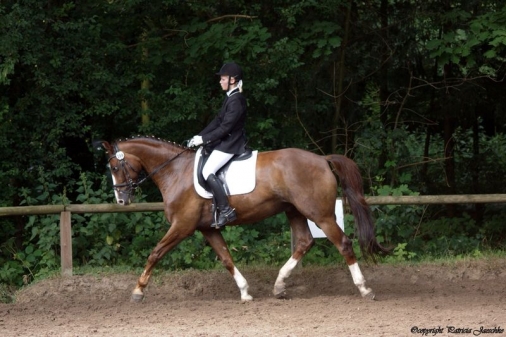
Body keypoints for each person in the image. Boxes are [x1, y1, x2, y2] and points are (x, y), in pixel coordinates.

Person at [188, 62, 247, 228]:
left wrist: (205, 140)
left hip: (232, 144)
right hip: (226, 142)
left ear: (233, 80)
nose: (220, 82)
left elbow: (225, 127)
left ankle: (226, 210)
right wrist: (199, 135)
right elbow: (218, 121)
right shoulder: (230, 98)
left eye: (223, 79)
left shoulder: (236, 101)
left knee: (207, 171)